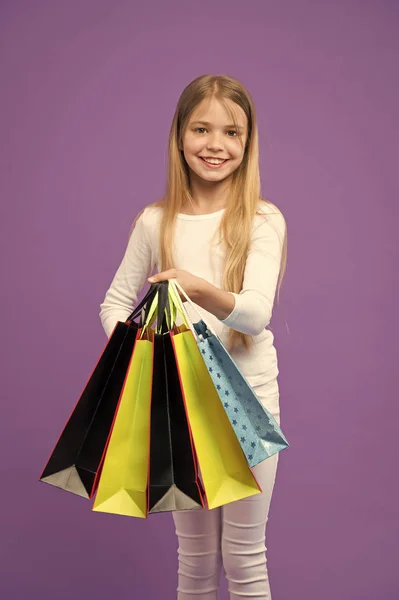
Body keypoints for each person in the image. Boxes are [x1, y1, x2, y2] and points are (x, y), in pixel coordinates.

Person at [99, 74, 287, 600]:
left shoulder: (261, 220)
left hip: (248, 403)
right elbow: (114, 305)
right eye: (201, 129)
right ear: (179, 135)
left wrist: (195, 288)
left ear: (247, 143)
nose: (215, 145)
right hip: (178, 405)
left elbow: (253, 315)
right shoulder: (153, 222)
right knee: (196, 561)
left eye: (232, 133)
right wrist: (142, 350)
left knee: (245, 559)